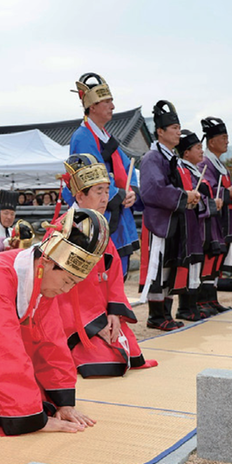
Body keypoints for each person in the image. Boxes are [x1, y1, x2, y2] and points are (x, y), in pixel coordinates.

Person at [0, 206, 107, 436]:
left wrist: (64, 401)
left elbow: (52, 340)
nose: (66, 290)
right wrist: (32, 418)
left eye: (74, 284)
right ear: (47, 261)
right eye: (67, 280)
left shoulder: (41, 278)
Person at [53, 154, 156, 375]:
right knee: (104, 364)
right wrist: (93, 323)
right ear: (80, 196)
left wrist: (113, 313)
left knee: (128, 354)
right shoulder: (62, 230)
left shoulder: (101, 227)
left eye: (106, 191)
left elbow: (114, 275)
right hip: (72, 315)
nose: (104, 198)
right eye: (98, 192)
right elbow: (55, 288)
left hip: (99, 310)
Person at [68, 73, 141, 271]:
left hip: (116, 209)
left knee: (117, 275)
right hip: (99, 216)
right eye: (107, 101)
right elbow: (92, 177)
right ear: (92, 106)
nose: (113, 106)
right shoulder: (83, 137)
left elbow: (129, 167)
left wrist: (131, 190)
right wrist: (120, 193)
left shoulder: (106, 136)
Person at [138, 100, 200, 331]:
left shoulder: (169, 157)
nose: (178, 132)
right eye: (173, 128)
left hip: (172, 219)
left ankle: (165, 313)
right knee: (159, 267)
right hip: (159, 222)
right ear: (160, 131)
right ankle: (156, 315)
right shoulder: (153, 158)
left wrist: (187, 197)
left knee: (169, 266)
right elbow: (152, 190)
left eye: (179, 127)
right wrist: (184, 196)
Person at [195, 116, 232, 316]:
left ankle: (211, 298)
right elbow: (207, 191)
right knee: (210, 257)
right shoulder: (205, 163)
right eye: (223, 137)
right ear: (212, 140)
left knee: (217, 260)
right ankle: (202, 300)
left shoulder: (218, 163)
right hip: (211, 218)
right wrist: (227, 193)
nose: (227, 141)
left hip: (222, 218)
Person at [173, 130, 212, 322]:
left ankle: (194, 304)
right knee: (189, 262)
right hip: (188, 221)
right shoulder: (182, 169)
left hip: (197, 223)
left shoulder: (194, 169)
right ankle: (185, 306)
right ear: (186, 152)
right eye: (197, 147)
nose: (201, 151)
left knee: (197, 262)